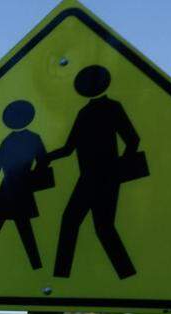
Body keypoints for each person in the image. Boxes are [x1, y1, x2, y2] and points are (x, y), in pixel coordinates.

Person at [45, 64, 144, 279]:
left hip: (106, 177)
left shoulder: (112, 107)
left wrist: (119, 168)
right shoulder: (84, 112)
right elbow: (69, 148)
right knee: (78, 222)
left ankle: (126, 274)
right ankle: (62, 276)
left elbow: (132, 139)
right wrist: (47, 157)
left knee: (100, 226)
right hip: (88, 177)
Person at [0, 99, 49, 271]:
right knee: (10, 230)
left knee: (19, 231)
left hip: (11, 192)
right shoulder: (23, 139)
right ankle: (37, 269)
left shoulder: (14, 140)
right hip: (14, 192)